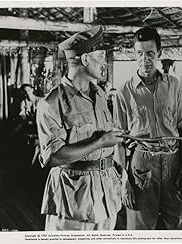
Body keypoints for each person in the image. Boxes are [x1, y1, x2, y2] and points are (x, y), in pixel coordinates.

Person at [36, 26, 127, 231]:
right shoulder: (52, 103)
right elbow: (55, 157)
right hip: (73, 201)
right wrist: (101, 142)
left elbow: (106, 138)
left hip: (106, 196)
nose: (104, 62)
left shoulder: (101, 95)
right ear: (85, 59)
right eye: (100, 56)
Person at [113, 27, 182, 230]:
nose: (145, 59)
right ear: (134, 55)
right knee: (140, 226)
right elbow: (118, 140)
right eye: (140, 54)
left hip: (174, 160)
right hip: (142, 165)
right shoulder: (124, 91)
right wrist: (125, 180)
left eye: (150, 53)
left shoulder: (174, 85)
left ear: (159, 54)